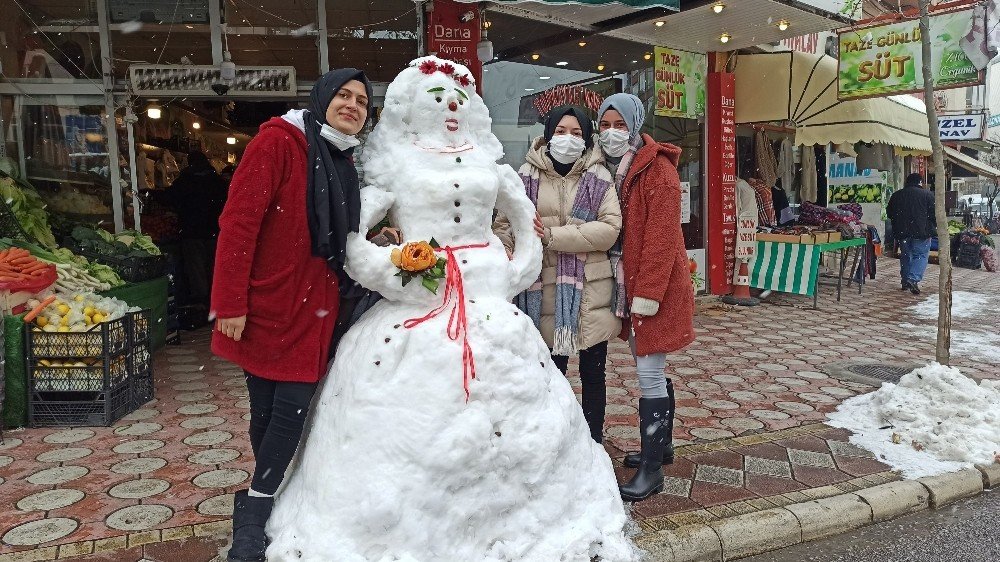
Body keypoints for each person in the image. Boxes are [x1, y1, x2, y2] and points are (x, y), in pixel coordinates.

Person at [263, 57, 638, 561]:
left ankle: (524, 514)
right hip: (417, 309)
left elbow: (525, 221)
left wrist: (516, 270)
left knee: (517, 405)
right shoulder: (397, 165)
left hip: (489, 303)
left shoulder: (490, 164)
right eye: (437, 100)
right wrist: (400, 275)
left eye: (458, 99)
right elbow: (355, 238)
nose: (450, 108)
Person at [211, 68, 374, 562]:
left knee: (289, 412)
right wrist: (231, 302)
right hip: (266, 304)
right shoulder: (280, 143)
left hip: (314, 311)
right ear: (321, 97)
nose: (351, 106)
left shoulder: (343, 159)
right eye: (343, 95)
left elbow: (340, 233)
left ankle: (254, 514)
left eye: (362, 101)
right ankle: (259, 503)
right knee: (264, 413)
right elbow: (238, 223)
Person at [494, 105, 622, 444]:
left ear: (587, 137)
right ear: (548, 136)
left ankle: (593, 443)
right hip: (543, 290)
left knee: (594, 376)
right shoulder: (524, 177)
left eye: (577, 133)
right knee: (550, 374)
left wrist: (551, 237)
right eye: (561, 132)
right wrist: (506, 246)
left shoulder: (600, 177)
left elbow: (610, 229)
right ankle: (556, 444)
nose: (568, 139)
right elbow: (504, 225)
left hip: (591, 293)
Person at [597, 93, 695, 503]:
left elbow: (662, 240)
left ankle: (652, 471)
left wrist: (648, 295)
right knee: (647, 365)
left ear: (635, 126)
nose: (611, 132)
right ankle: (662, 447)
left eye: (620, 125)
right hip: (630, 282)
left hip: (652, 289)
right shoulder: (612, 167)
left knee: (649, 373)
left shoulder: (658, 171)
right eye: (605, 124)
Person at [165, 151, 227, 307]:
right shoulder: (217, 181)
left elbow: (171, 198)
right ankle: (216, 298)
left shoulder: (185, 181)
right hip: (214, 230)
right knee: (214, 265)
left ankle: (202, 302)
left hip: (192, 230)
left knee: (196, 267)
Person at [887, 173, 935, 295]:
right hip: (921, 232)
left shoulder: (897, 195)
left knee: (905, 255)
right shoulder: (927, 195)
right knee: (920, 255)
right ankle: (913, 279)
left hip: (902, 232)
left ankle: (905, 281)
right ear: (920, 182)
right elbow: (934, 214)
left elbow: (889, 213)